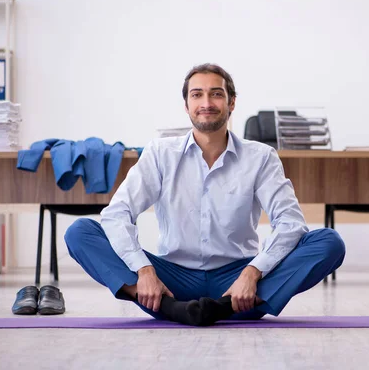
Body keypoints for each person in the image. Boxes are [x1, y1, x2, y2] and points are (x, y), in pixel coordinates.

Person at [64, 63, 346, 326]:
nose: (207, 103)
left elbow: (290, 223)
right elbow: (117, 215)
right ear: (186, 105)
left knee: (329, 242)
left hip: (239, 280)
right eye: (197, 95)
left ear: (231, 102)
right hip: (172, 278)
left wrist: (252, 272)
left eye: (216, 94)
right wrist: (144, 271)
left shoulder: (261, 157)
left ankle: (219, 307)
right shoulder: (161, 153)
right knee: (80, 232)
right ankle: (170, 304)